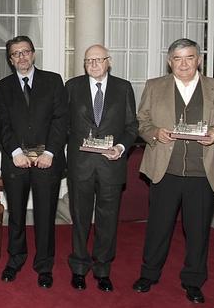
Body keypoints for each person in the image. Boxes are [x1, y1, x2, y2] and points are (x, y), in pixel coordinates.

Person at [132, 38, 214, 304]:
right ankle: (149, 274)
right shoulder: (154, 86)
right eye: (178, 59)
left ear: (199, 59)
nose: (183, 64)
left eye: (189, 58)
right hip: (164, 171)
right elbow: (141, 122)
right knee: (158, 228)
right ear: (170, 62)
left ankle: (193, 281)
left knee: (198, 231)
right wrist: (155, 133)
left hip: (202, 173)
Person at [0, 35, 68, 286]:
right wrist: (15, 152)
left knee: (45, 215)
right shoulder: (3, 87)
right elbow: (2, 124)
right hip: (15, 161)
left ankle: (44, 265)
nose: (21, 57)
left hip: (47, 160)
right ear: (10, 59)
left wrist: (50, 153)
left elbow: (61, 121)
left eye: (25, 52)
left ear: (33, 54)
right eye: (15, 54)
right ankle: (15, 259)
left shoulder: (53, 81)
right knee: (15, 214)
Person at [65, 45, 138, 292]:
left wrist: (120, 147)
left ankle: (103, 269)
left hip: (111, 164)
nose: (94, 64)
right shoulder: (72, 87)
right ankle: (78, 268)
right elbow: (63, 124)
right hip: (81, 165)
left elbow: (132, 126)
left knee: (107, 221)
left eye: (98, 59)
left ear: (109, 61)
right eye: (88, 61)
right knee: (80, 219)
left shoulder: (123, 87)